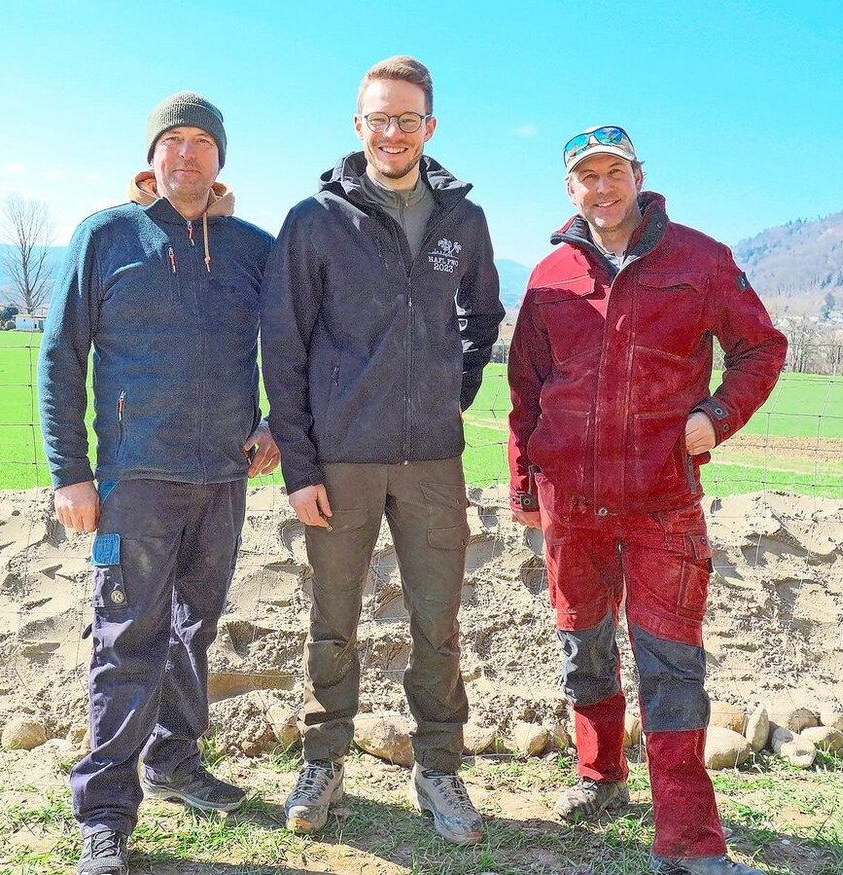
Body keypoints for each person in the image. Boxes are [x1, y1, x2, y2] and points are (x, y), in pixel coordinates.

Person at [506, 125, 786, 875]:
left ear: (638, 176)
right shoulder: (549, 275)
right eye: (587, 176)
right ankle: (600, 776)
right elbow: (526, 388)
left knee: (671, 665)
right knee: (584, 644)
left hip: (663, 499)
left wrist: (717, 416)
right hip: (570, 501)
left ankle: (688, 841)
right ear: (570, 188)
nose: (602, 187)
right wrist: (524, 482)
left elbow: (762, 348)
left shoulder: (700, 260)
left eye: (614, 172)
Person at [261, 55, 505, 846]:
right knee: (334, 619)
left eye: (406, 118)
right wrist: (301, 466)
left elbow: (482, 319)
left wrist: (449, 393)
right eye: (378, 118)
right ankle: (323, 759)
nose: (392, 132)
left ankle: (438, 767)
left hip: (432, 458)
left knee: (438, 622)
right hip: (342, 459)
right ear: (357, 125)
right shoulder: (315, 220)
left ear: (429, 126)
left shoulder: (463, 220)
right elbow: (283, 346)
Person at [38, 91, 279, 875]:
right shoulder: (106, 236)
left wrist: (278, 421)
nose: (186, 153)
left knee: (193, 630)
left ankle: (175, 762)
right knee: (127, 639)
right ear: (151, 156)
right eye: (172, 140)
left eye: (201, 141)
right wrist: (71, 473)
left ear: (220, 157)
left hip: (224, 479)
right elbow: (60, 356)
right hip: (135, 480)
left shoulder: (251, 248)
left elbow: (297, 342)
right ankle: (104, 813)